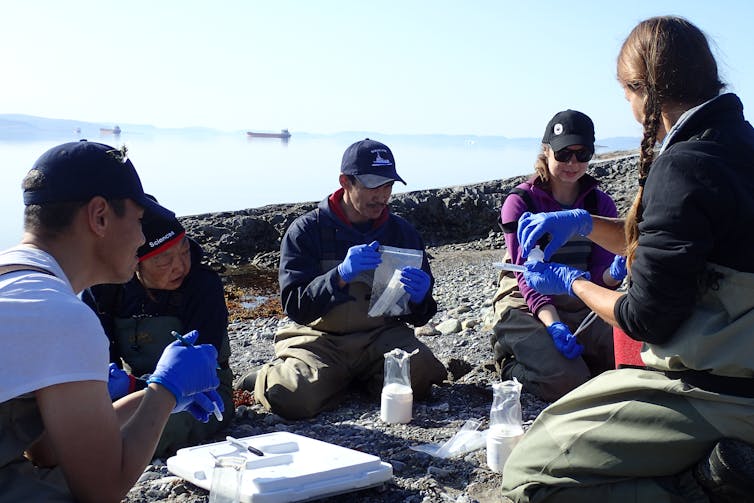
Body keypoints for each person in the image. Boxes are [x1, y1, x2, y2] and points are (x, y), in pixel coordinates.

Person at [501, 16, 754, 502]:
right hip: (742, 363)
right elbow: (665, 243)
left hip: (716, 385)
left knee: (529, 474)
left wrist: (573, 282)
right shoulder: (736, 144)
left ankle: (703, 486)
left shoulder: (684, 165)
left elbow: (645, 318)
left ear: (645, 89)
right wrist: (583, 223)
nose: (631, 108)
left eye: (628, 94)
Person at [0, 140, 222, 502]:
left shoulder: (17, 283)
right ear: (100, 215)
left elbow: (45, 450)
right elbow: (101, 490)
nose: (140, 238)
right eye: (137, 220)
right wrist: (166, 391)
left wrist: (158, 394)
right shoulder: (64, 316)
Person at [235, 138, 447, 420]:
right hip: (320, 340)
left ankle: (346, 380)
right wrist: (339, 276)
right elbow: (296, 307)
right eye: (373, 185)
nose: (382, 196)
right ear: (345, 182)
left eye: (388, 186)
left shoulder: (402, 233)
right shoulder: (306, 231)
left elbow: (420, 317)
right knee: (292, 397)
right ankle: (265, 376)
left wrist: (421, 298)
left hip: (379, 337)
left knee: (421, 376)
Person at [83, 197, 234, 458]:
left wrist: (137, 388)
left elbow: (201, 370)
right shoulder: (105, 290)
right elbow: (98, 362)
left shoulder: (202, 285)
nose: (180, 267)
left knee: (128, 435)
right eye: (164, 261)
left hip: (199, 395)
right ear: (134, 263)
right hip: (135, 389)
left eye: (185, 250)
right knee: (74, 428)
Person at [489, 110, 624, 402]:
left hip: (580, 298)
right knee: (568, 383)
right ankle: (510, 362)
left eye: (582, 153)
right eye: (563, 154)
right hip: (527, 303)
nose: (572, 163)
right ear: (546, 151)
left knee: (629, 359)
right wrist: (553, 324)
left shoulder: (599, 204)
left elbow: (599, 275)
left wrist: (614, 273)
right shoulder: (520, 202)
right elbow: (527, 278)